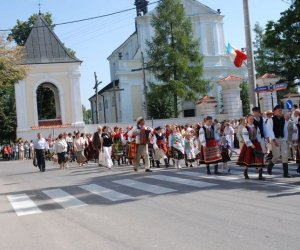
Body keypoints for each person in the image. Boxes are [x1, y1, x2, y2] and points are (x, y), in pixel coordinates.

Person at [237, 115, 265, 180]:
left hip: (256, 143)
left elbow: (258, 135)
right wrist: (250, 144)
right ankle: (245, 172)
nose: (251, 120)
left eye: (252, 119)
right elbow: (245, 137)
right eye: (250, 119)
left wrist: (259, 142)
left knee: (259, 157)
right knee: (248, 159)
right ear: (247, 120)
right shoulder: (245, 128)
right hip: (249, 144)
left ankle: (260, 175)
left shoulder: (256, 127)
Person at [266, 105, 290, 177]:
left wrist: (285, 139)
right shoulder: (271, 120)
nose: (280, 111)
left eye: (281, 110)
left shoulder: (283, 119)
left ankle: (285, 173)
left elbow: (285, 130)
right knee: (276, 156)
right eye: (279, 110)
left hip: (282, 139)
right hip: (275, 139)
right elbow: (269, 130)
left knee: (285, 155)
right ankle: (269, 167)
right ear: (274, 112)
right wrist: (273, 140)